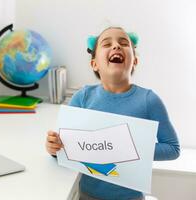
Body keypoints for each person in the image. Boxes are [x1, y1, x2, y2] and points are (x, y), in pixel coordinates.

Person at [45, 27, 180, 200]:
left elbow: (173, 148)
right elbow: (64, 147)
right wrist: (53, 148)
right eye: (107, 44)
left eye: (124, 43)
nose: (116, 46)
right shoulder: (83, 97)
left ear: (135, 61)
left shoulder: (149, 100)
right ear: (94, 63)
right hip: (86, 196)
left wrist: (126, 149)